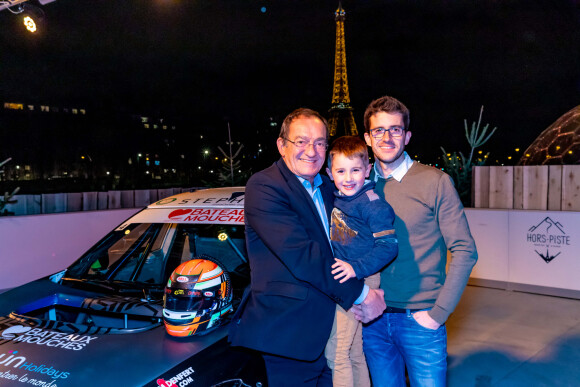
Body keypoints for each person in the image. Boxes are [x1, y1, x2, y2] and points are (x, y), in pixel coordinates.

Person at [228, 108, 386, 387]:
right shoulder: (265, 186)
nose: (311, 151)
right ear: (281, 145)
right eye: (301, 141)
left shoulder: (328, 186)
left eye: (320, 143)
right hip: (291, 337)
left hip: (332, 327)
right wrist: (362, 295)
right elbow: (304, 257)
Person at [355, 96, 478, 387]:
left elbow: (465, 250)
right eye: (378, 131)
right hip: (372, 319)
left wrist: (438, 314)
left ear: (407, 136)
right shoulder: (357, 185)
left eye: (395, 130)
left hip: (421, 320)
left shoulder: (435, 182)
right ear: (367, 138)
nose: (386, 137)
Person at [323, 136, 398, 387]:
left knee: (337, 353)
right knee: (353, 351)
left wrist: (356, 269)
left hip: (360, 277)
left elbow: (389, 247)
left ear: (367, 170)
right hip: (351, 275)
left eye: (356, 170)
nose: (348, 177)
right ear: (329, 173)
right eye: (341, 171)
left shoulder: (371, 204)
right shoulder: (340, 198)